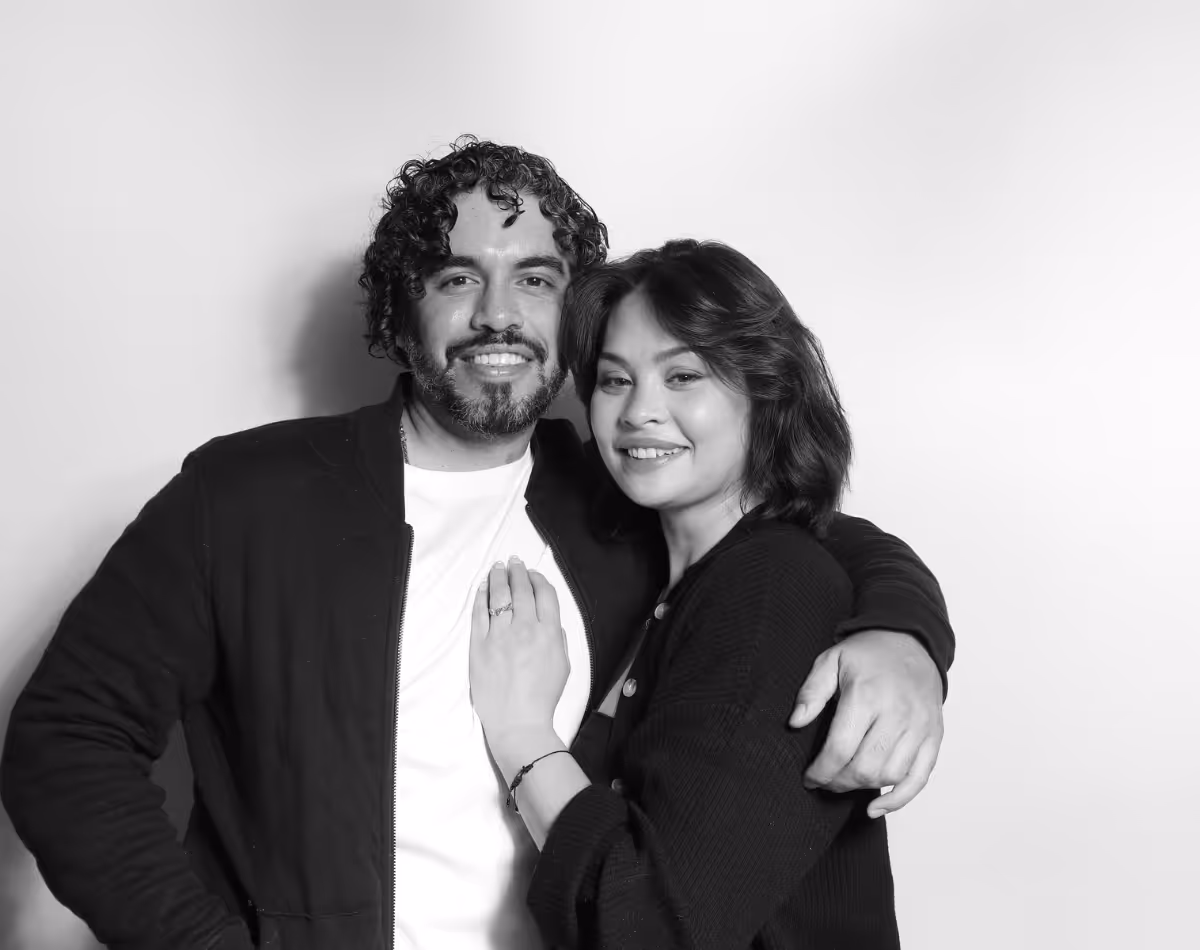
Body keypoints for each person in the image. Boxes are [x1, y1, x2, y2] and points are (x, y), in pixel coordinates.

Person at [0, 138, 951, 950]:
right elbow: (66, 739)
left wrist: (904, 636)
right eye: (458, 277)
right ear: (400, 312)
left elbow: (794, 537)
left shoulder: (615, 494)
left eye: (535, 279)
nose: (498, 313)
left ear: (569, 315)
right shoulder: (245, 498)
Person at [471, 238, 902, 948]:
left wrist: (521, 734)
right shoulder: (667, 576)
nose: (639, 411)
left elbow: (646, 928)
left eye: (683, 377)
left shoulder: (770, 587)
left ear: (766, 390)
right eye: (614, 381)